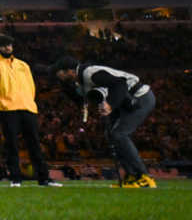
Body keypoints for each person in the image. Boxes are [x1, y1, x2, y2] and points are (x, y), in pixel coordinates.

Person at [53, 56, 157, 189]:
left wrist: (110, 105)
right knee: (111, 135)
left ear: (70, 71)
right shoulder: (80, 80)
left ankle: (144, 177)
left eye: (60, 72)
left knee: (119, 134)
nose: (58, 76)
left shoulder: (89, 73)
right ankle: (131, 175)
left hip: (139, 97)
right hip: (126, 101)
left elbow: (120, 83)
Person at [0, 35, 58, 187]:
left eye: (9, 45)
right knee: (12, 145)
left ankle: (44, 178)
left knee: (35, 144)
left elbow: (31, 87)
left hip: (27, 108)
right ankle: (15, 178)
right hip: (8, 110)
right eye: (4, 45)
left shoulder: (23, 65)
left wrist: (29, 102)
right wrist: (0, 107)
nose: (7, 48)